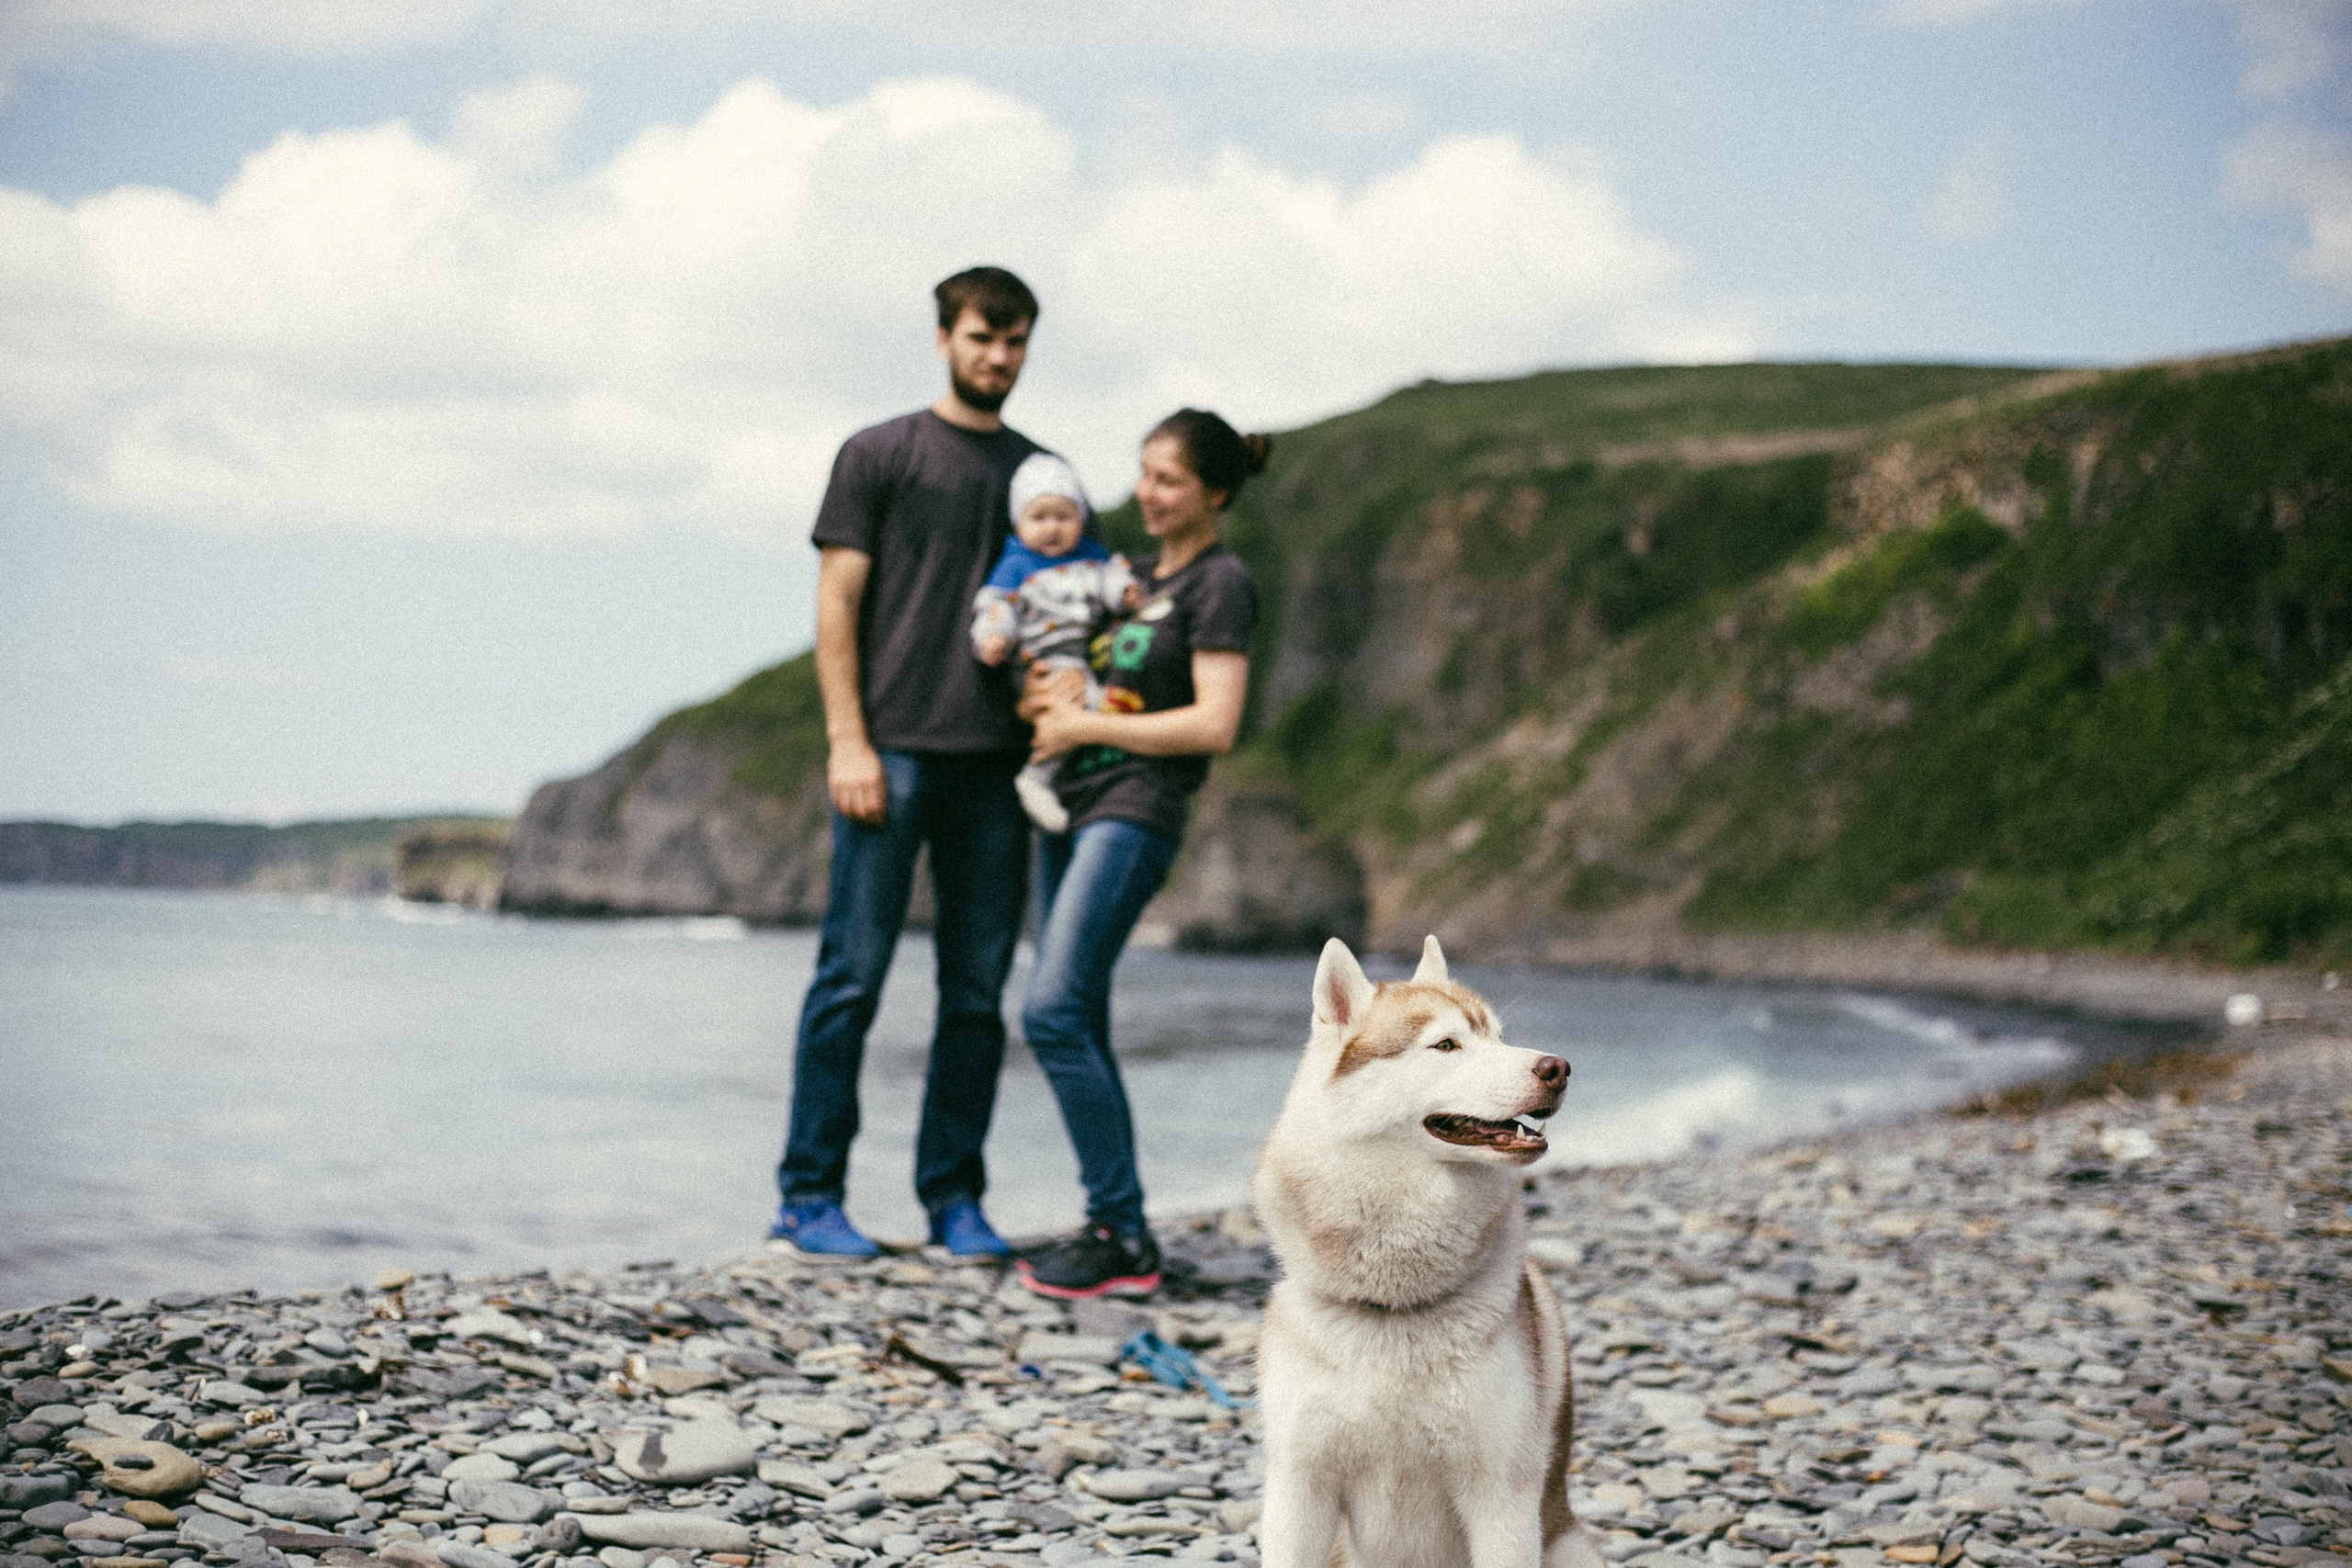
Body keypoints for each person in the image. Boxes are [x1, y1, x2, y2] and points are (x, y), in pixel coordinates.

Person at [769, 265, 1048, 1261]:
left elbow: (1064, 621)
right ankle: (808, 1200)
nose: (999, 357)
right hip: (887, 755)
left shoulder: (1040, 474)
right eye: (982, 337)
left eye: (1015, 341)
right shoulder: (878, 453)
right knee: (850, 981)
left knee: (975, 997)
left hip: (996, 773)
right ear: (944, 338)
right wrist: (848, 740)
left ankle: (954, 1201)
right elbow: (835, 606)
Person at [1013, 408, 1270, 1300]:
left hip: (1136, 807)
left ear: (1214, 492)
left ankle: (1120, 1231)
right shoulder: (1126, 577)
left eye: (1169, 480)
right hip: (1070, 801)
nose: (1147, 493)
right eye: (1143, 473)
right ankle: (1114, 1228)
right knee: (1076, 1013)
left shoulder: (1219, 583)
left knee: (1048, 1011)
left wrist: (1084, 724)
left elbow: (1215, 721)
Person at [972, 452, 1140, 834]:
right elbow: (996, 606)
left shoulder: (1092, 560)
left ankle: (1068, 780)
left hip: (1081, 657)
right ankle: (1037, 777)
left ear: (1081, 519)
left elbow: (1111, 580)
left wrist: (1126, 592)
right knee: (1087, 710)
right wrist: (993, 637)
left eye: (1063, 517)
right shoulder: (1016, 566)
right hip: (1043, 660)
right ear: (1018, 522)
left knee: (1096, 710)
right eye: (1039, 517)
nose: (1052, 528)